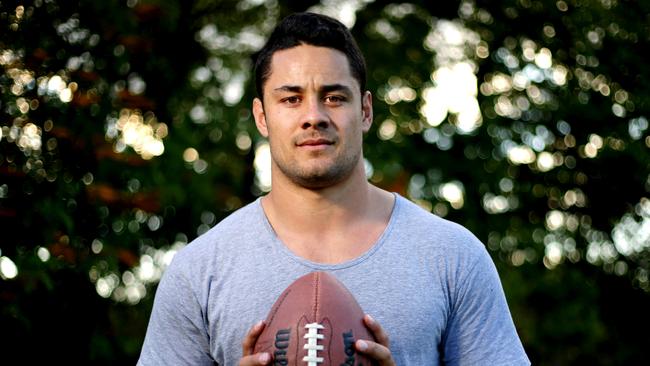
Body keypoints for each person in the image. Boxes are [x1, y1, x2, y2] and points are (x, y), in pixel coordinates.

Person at [138, 12, 530, 365]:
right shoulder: (200, 271)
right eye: (291, 99)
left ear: (365, 110)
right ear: (261, 116)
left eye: (334, 97)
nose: (314, 116)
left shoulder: (452, 257)